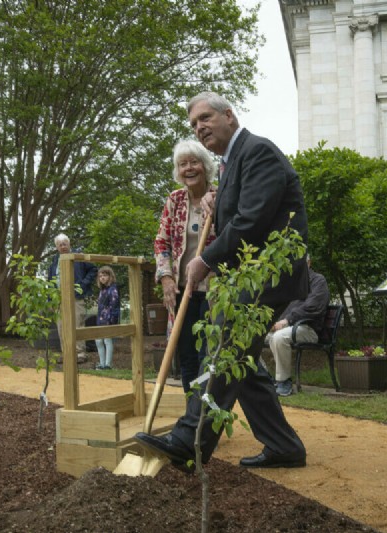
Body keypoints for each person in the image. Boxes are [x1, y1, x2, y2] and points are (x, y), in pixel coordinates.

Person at [135, 91, 309, 471]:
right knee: (241, 362)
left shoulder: (257, 152)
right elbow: (241, 214)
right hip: (252, 274)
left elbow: (252, 221)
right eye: (193, 124)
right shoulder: (232, 162)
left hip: (267, 273)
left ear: (229, 115)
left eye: (205, 118)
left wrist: (205, 259)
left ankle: (188, 441)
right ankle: (283, 446)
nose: (199, 127)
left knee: (222, 346)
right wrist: (219, 204)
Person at [154, 139, 217, 392]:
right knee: (187, 353)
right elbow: (162, 241)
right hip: (183, 290)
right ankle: (192, 407)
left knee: (208, 353)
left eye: (194, 162)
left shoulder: (219, 197)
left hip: (213, 290)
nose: (188, 168)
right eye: (183, 164)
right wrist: (166, 277)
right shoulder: (175, 200)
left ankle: (205, 407)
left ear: (205, 166)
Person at [266, 262, 329, 397]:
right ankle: (264, 378)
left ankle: (284, 382)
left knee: (279, 337)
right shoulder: (290, 283)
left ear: (308, 263)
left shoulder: (318, 281)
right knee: (251, 338)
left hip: (308, 329)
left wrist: (287, 320)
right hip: (286, 327)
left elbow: (313, 307)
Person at [47, 233, 97, 364]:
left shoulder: (78, 256)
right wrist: (50, 300)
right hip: (58, 298)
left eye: (65, 244)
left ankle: (80, 353)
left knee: (77, 324)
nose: (63, 247)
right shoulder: (54, 260)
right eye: (60, 245)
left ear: (69, 244)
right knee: (61, 326)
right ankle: (67, 353)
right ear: (57, 247)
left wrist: (83, 285)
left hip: (76, 296)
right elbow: (50, 281)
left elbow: (93, 269)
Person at [94, 266, 120, 370]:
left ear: (110, 276)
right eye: (100, 276)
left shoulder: (113, 289)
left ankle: (108, 364)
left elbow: (115, 306)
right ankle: (102, 364)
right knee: (98, 341)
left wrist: (113, 320)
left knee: (107, 340)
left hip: (109, 319)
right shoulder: (102, 290)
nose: (102, 278)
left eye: (104, 275)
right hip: (100, 319)